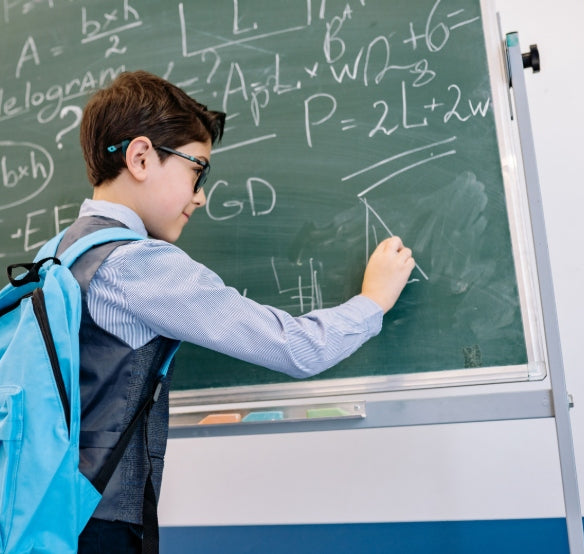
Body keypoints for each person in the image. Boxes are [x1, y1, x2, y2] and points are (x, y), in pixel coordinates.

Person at [62, 70, 415, 553]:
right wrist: (373, 301)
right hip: (95, 526)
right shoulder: (137, 266)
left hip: (43, 514)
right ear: (141, 157)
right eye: (196, 170)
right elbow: (294, 347)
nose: (201, 195)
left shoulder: (57, 255)